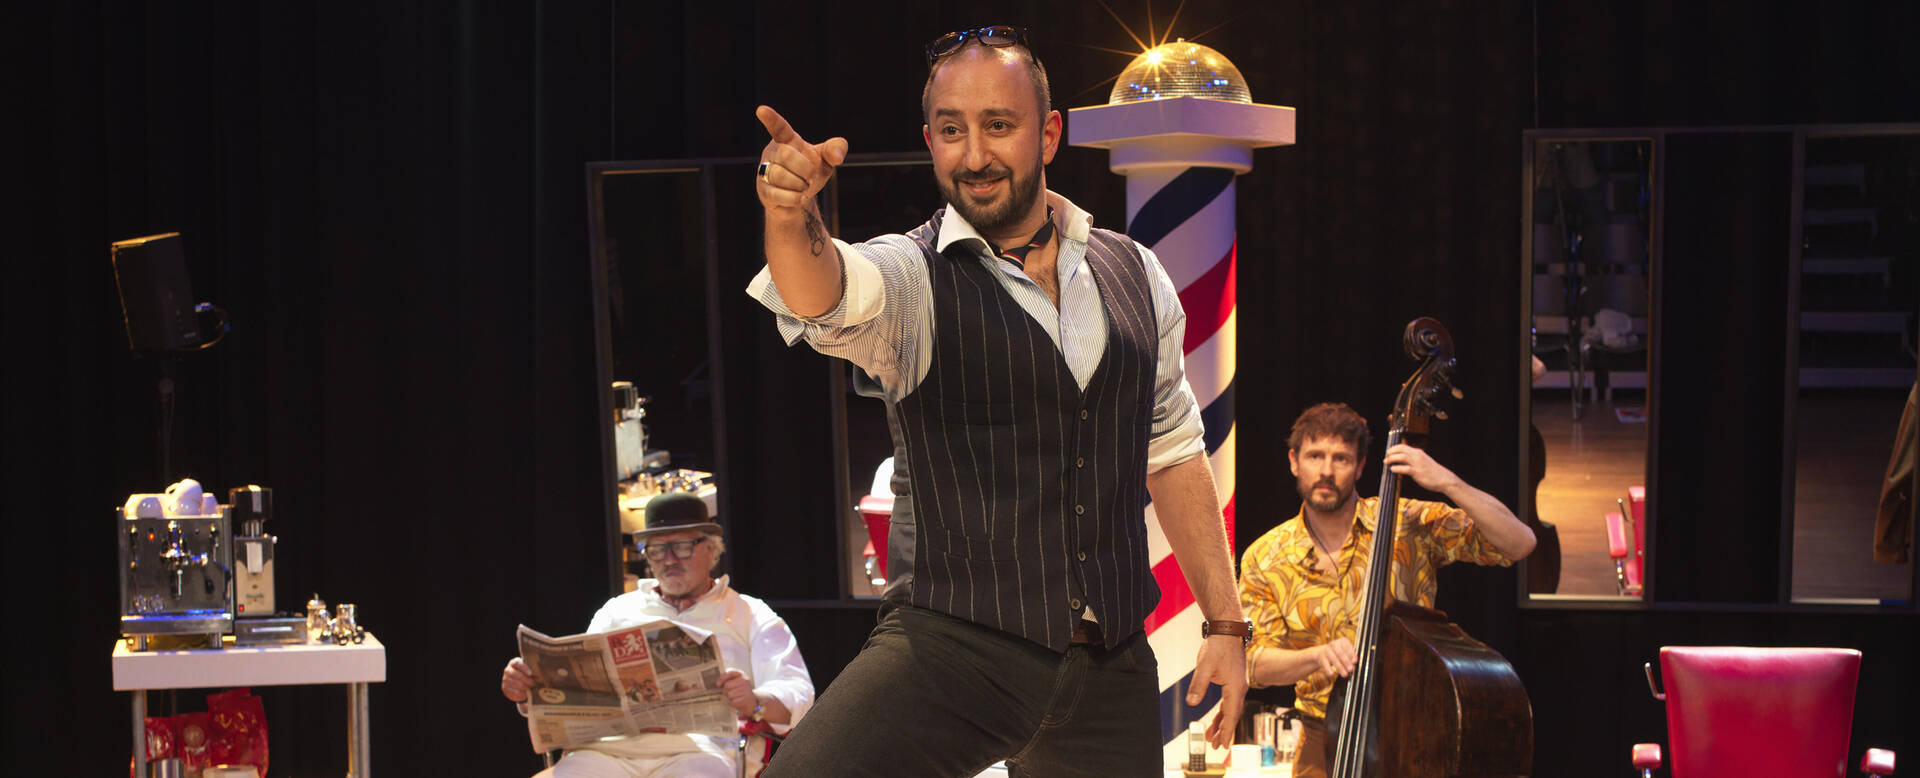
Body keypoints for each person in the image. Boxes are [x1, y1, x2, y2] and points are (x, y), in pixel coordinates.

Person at [746, 25, 1246, 778]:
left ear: (1048, 134)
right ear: (930, 140)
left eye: (998, 125)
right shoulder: (913, 275)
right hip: (952, 651)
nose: (974, 155)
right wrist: (790, 215)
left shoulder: (1135, 272)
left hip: (1108, 667)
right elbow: (827, 292)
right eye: (952, 131)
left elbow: (1173, 452)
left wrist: (1226, 624)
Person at [1237, 403, 1536, 777]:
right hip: (1321, 743)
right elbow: (1254, 664)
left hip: (1413, 738)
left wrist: (1448, 483)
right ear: (1294, 461)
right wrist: (1316, 656)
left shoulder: (1407, 522)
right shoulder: (1265, 555)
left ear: (1361, 466)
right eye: (1315, 456)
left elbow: (1519, 543)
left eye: (1341, 459)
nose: (1327, 471)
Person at [499, 492, 814, 778]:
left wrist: (755, 700)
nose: (669, 560)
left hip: (701, 752)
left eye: (681, 547)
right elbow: (581, 691)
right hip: (606, 751)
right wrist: (530, 688)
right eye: (657, 550)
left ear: (711, 549)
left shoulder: (749, 613)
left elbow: (799, 692)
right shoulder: (616, 610)